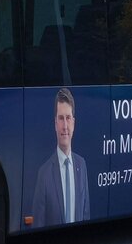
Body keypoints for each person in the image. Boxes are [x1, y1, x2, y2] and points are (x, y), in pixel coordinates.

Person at [31, 87, 90, 227]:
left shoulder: (81, 165)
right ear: (55, 124)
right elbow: (37, 225)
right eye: (61, 118)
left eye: (68, 118)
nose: (65, 126)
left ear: (74, 123)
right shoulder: (44, 174)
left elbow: (86, 214)